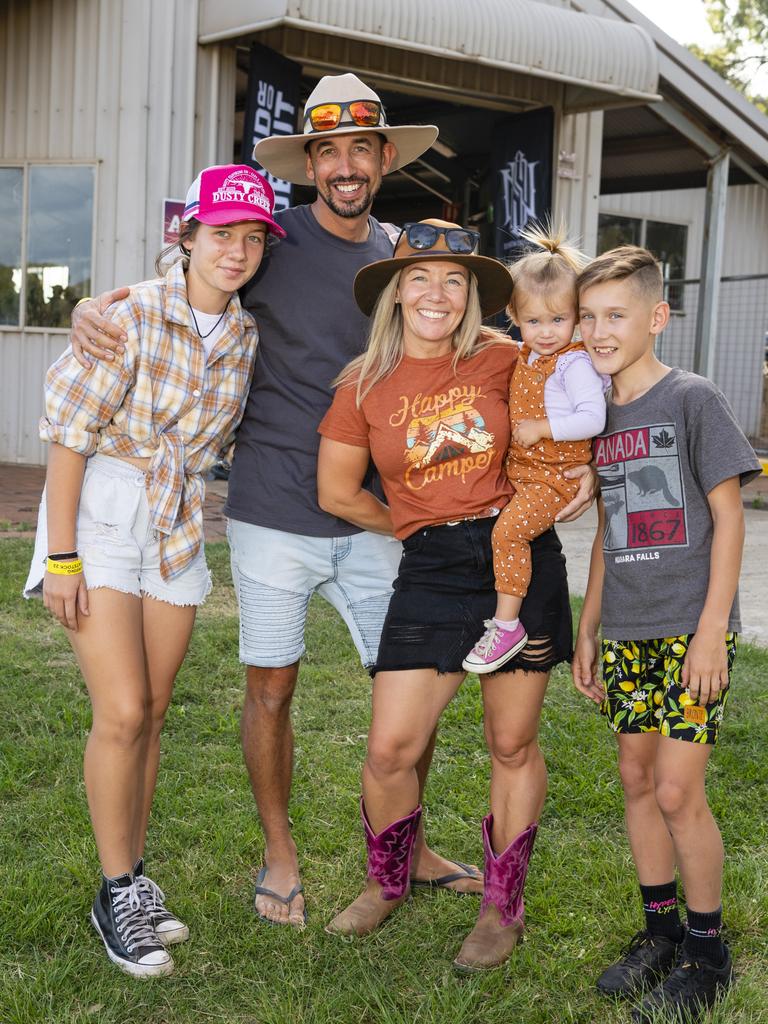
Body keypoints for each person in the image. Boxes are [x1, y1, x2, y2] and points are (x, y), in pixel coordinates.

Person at [67, 74, 594, 928]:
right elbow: (191, 275)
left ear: (383, 157)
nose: (345, 166)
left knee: (402, 687)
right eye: (326, 152)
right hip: (275, 508)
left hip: (389, 517)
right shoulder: (272, 247)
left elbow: (480, 342)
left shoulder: (406, 255)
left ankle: (408, 850)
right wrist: (99, 300)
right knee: (271, 688)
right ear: (309, 164)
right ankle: (281, 855)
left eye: (360, 148)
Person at [23, 164, 286, 976]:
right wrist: (61, 555)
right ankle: (113, 893)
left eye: (251, 238)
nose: (236, 252)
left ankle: (133, 880)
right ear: (189, 234)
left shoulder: (246, 336)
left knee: (159, 708)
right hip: (104, 507)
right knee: (125, 708)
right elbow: (69, 432)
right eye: (222, 234)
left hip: (176, 519)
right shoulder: (127, 315)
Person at [317, 219, 581, 971]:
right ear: (396, 294)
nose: (437, 292)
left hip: (518, 555)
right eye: (420, 278)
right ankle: (388, 882)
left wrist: (580, 471)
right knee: (390, 749)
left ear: (471, 295)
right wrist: (412, 523)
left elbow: (591, 374)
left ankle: (503, 906)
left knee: (511, 742)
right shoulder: (362, 384)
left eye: (454, 279)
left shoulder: (506, 357)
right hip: (430, 564)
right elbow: (338, 491)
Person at [571, 246, 760, 1023]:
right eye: (587, 316)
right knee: (637, 779)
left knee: (681, 791)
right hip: (626, 628)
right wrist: (588, 626)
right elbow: (607, 528)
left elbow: (729, 517)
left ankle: (707, 950)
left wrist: (713, 630)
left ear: (656, 318)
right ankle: (660, 933)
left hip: (691, 628)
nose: (597, 330)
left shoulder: (693, 398)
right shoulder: (594, 413)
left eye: (614, 315)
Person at [462, 226, 606, 674]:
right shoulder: (524, 353)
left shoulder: (574, 362)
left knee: (509, 534)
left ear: (578, 317)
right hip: (523, 472)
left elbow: (593, 418)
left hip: (553, 477)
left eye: (558, 320)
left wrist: (544, 426)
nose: (546, 333)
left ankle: (507, 627)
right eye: (534, 321)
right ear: (514, 315)